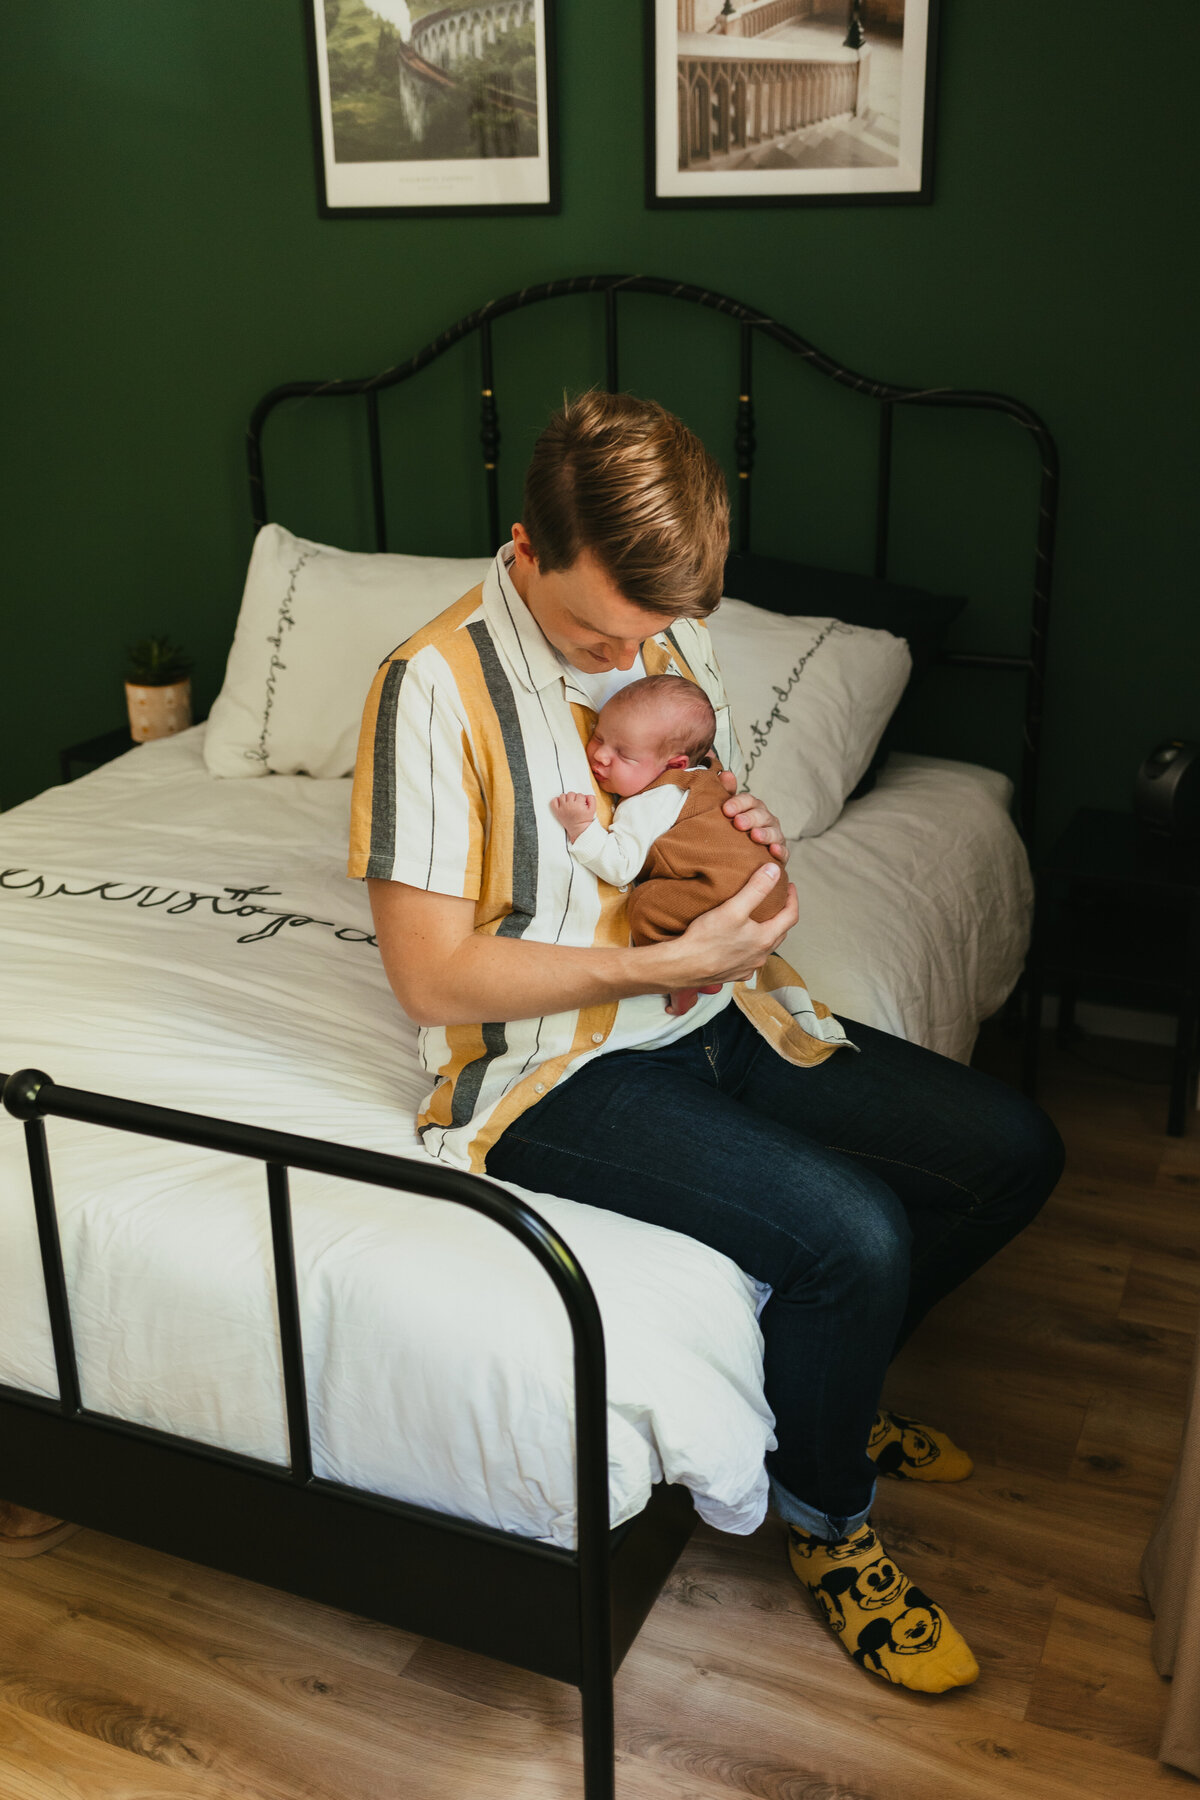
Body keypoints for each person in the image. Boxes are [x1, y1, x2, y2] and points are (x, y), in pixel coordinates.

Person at [350, 390, 1064, 1694]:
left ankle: (825, 1396)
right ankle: (830, 1523)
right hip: (545, 1071)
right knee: (854, 1232)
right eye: (591, 629)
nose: (628, 655)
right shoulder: (428, 689)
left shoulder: (673, 635)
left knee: (1008, 1153)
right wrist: (653, 961)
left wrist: (749, 861)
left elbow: (693, 808)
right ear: (524, 544)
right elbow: (431, 977)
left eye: (657, 628)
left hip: (718, 1004)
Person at [549, 673, 787, 1014]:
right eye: (598, 735)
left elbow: (620, 868)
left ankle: (684, 980)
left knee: (646, 904)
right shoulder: (704, 770)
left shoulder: (649, 801)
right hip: (765, 885)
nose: (600, 755)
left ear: (674, 765)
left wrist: (581, 828)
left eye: (625, 755)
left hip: (732, 892)